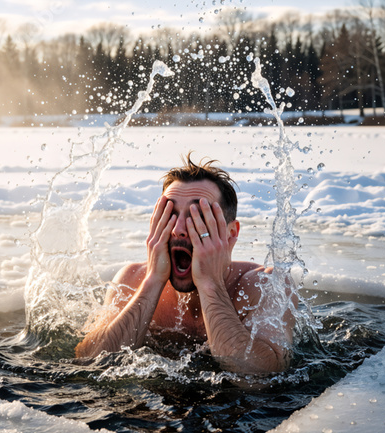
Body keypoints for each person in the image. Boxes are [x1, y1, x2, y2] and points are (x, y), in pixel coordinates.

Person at [74, 154, 294, 374]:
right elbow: (90, 364)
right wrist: (152, 282)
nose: (178, 228)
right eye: (170, 214)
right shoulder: (133, 279)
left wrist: (210, 284)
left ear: (231, 233)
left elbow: (262, 376)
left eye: (197, 216)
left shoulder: (265, 286)